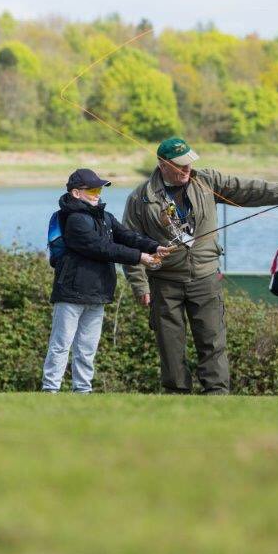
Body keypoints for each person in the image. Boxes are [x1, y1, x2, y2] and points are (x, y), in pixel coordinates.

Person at [123, 137, 278, 395]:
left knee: (212, 340)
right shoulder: (140, 198)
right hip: (164, 282)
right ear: (162, 164)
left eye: (189, 163)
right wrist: (139, 284)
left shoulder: (207, 180)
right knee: (170, 344)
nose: (187, 169)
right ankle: (177, 395)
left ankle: (217, 394)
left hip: (205, 277)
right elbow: (130, 244)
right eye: (180, 165)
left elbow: (247, 189)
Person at [42, 168, 170, 393]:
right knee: (61, 345)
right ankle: (50, 390)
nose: (97, 193)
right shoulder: (74, 220)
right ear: (75, 193)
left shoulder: (104, 217)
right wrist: (140, 258)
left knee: (87, 347)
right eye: (92, 189)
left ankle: (82, 390)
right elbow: (102, 248)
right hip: (71, 292)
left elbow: (126, 236)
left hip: (98, 291)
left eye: (99, 188)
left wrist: (154, 246)